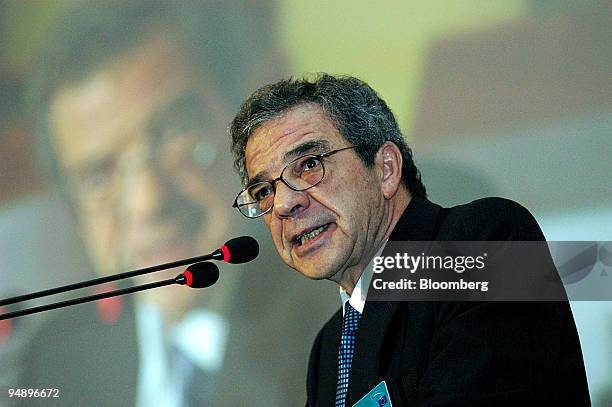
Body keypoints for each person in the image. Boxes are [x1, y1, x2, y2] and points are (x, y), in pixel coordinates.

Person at [3, 2, 337, 406]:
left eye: (176, 133)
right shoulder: (55, 361)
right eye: (99, 176)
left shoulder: (352, 325)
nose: (148, 202)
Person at [229, 74, 591, 406]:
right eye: (263, 190)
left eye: (308, 165)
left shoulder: (483, 239)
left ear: (386, 169)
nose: (283, 203)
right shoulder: (328, 349)